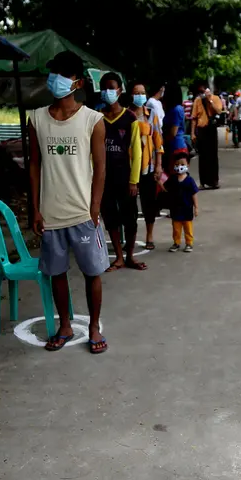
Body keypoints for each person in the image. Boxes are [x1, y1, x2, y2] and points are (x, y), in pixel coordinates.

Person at [28, 51, 109, 354]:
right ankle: (64, 324)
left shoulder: (93, 120)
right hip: (51, 213)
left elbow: (100, 167)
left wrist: (95, 207)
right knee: (56, 273)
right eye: (53, 73)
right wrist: (35, 208)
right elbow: (34, 164)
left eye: (62, 74)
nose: (55, 80)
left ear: (76, 82)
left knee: (92, 272)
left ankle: (93, 326)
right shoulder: (36, 118)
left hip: (83, 212)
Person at [98, 73, 145, 271]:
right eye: (105, 88)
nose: (109, 92)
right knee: (110, 218)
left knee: (130, 218)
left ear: (119, 91)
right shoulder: (96, 117)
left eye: (112, 88)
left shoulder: (130, 118)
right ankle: (118, 256)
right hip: (104, 178)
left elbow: (137, 151)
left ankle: (130, 256)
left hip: (125, 177)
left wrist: (134, 181)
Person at [130, 82, 165, 250]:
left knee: (149, 203)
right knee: (129, 206)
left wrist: (158, 165)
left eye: (142, 92)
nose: (139, 95)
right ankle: (131, 238)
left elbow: (158, 142)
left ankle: (149, 235)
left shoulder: (151, 115)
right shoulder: (126, 115)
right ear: (131, 95)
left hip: (148, 168)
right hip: (129, 169)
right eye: (136, 92)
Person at [162, 151, 200, 252]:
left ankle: (189, 243)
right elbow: (165, 189)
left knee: (188, 228)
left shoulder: (190, 180)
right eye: (177, 164)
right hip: (175, 209)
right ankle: (176, 243)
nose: (180, 166)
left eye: (182, 164)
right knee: (176, 229)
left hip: (187, 209)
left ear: (188, 165)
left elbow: (194, 194)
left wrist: (196, 207)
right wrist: (158, 181)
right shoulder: (172, 179)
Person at [191, 81, 224, 189]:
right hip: (201, 130)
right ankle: (203, 182)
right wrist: (192, 133)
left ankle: (214, 181)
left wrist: (210, 101)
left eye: (204, 90)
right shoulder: (197, 100)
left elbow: (219, 111)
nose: (203, 93)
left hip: (211, 129)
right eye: (201, 91)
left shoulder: (215, 98)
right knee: (203, 156)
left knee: (213, 155)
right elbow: (194, 118)